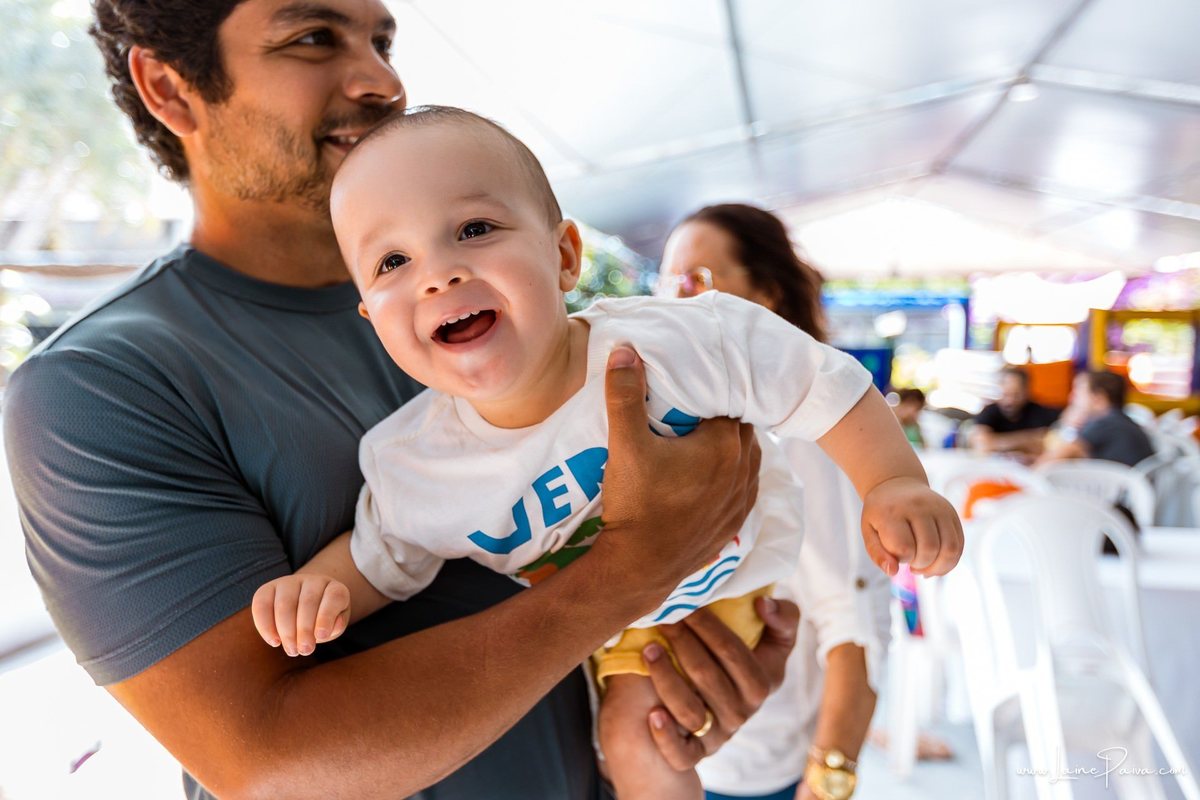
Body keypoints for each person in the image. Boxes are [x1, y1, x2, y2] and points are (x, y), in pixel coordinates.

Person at [3, 3, 803, 798]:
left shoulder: (496, 305)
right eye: (312, 38)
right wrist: (636, 569)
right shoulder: (97, 389)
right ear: (170, 88)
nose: (381, 79)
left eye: (381, 39)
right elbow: (268, 766)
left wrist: (674, 676)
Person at [253, 111, 963, 800]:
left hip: (727, 580)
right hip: (603, 631)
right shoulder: (414, 464)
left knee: (640, 737)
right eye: (393, 260)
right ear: (372, 317)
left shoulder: (672, 344)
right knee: (631, 742)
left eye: (474, 229)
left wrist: (892, 480)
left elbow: (817, 381)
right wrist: (322, 588)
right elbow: (384, 556)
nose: (437, 275)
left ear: (564, 255)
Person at [658, 202, 894, 800]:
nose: (675, 298)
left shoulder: (803, 436)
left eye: (698, 279)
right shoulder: (661, 425)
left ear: (765, 298)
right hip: (656, 760)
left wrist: (831, 773)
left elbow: (853, 618)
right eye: (668, 280)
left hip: (751, 772)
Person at [1038, 371, 1154, 467]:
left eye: (1078, 393)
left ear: (1098, 399)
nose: (1072, 398)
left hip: (1115, 492)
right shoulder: (1120, 421)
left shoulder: (1104, 424)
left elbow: (1048, 462)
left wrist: (1067, 426)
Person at [969, 366, 1060, 461]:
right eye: (1006, 394)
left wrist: (995, 441)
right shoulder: (989, 412)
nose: (1010, 401)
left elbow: (1048, 446)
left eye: (1016, 395)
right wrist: (1028, 439)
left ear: (1026, 392)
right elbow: (982, 444)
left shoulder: (1041, 412)